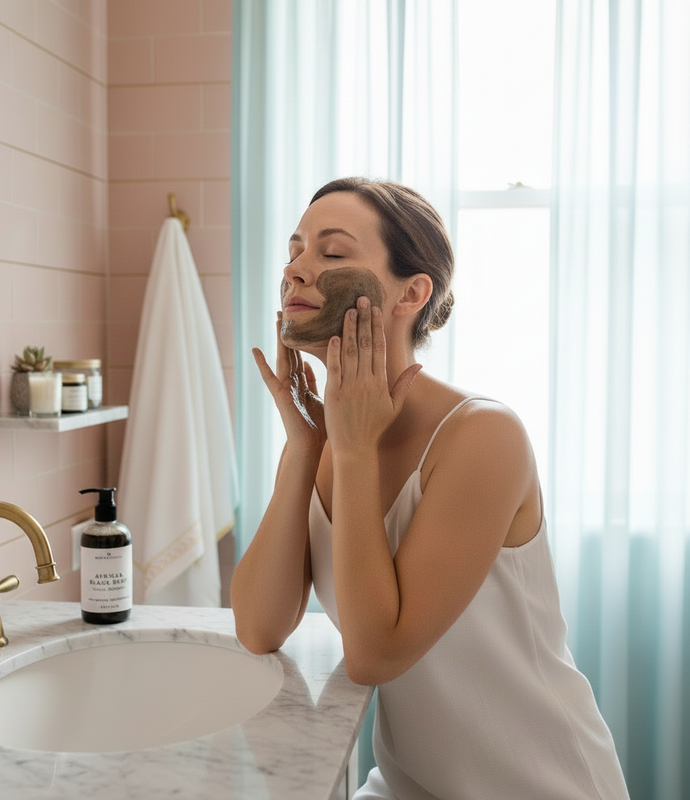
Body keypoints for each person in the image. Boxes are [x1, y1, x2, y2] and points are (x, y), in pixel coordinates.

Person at [230, 177, 629, 799]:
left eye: (332, 253)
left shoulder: (483, 436)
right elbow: (258, 627)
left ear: (411, 293)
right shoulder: (330, 437)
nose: (297, 271)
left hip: (539, 784)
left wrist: (355, 450)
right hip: (409, 784)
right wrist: (305, 449)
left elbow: (375, 654)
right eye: (294, 250)